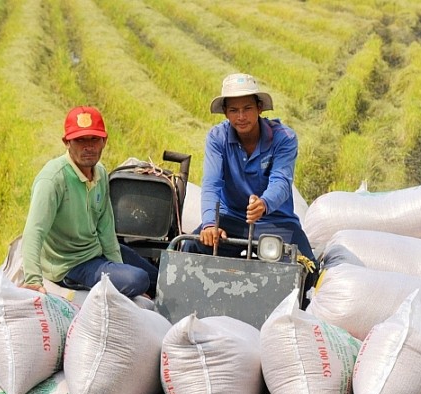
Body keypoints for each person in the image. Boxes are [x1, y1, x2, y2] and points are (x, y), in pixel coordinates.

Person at [20, 106, 157, 299]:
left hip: (95, 251)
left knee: (156, 277)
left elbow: (106, 226)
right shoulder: (52, 180)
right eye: (80, 140)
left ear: (104, 141)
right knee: (138, 280)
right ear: (66, 142)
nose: (88, 147)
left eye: (94, 139)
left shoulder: (100, 172)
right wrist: (33, 279)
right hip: (70, 264)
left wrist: (118, 267)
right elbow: (35, 230)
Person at [184, 73, 317, 271]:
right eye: (234, 110)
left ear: (259, 108)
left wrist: (263, 204)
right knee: (189, 250)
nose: (241, 117)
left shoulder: (284, 138)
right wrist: (210, 224)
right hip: (230, 219)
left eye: (247, 109)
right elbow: (212, 183)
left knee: (307, 267)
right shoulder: (217, 137)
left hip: (275, 220)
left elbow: (281, 181)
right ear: (225, 113)